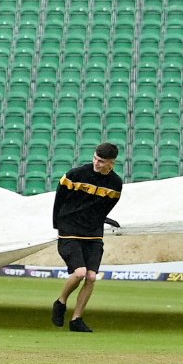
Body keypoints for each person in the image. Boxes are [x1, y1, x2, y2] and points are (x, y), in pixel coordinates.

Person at [51, 142, 123, 333]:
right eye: (95, 159)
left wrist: (103, 219)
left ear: (111, 163)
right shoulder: (75, 175)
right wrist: (58, 225)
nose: (96, 164)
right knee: (81, 272)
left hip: (93, 233)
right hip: (70, 230)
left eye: (101, 161)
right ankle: (60, 302)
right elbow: (59, 199)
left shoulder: (116, 184)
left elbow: (102, 208)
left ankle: (77, 319)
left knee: (91, 277)